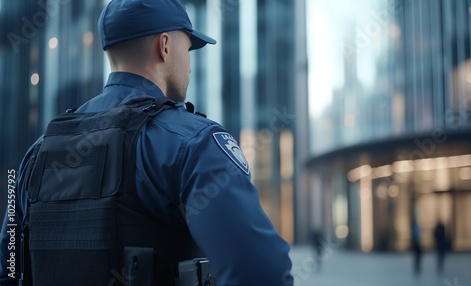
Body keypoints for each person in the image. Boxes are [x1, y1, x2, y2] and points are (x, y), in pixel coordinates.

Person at [0, 0, 294, 285]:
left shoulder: (38, 152)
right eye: (188, 48)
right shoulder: (195, 143)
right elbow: (262, 273)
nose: (189, 65)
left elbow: (9, 266)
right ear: (164, 46)